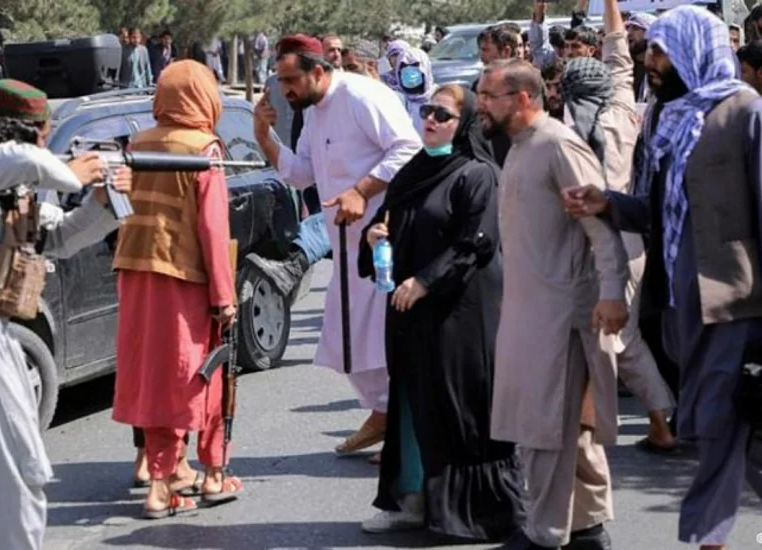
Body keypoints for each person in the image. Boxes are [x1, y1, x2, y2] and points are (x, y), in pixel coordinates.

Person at [562, 7, 762, 549]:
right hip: (678, 301)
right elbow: (662, 210)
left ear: (694, 50)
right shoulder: (671, 117)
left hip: (735, 302)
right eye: (648, 50)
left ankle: (709, 540)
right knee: (715, 422)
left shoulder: (745, 113)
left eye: (659, 50)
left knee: (719, 421)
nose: (649, 61)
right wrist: (607, 204)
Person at [0, 78, 132, 550]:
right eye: (43, 133)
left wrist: (101, 203)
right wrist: (80, 169)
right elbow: (23, 158)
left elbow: (60, 238)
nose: (45, 143)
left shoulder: (13, 184)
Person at [357, 84, 525, 542]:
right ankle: (411, 501)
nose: (429, 120)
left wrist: (426, 281)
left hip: (460, 315)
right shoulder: (413, 170)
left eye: (442, 115)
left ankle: (472, 513)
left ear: (464, 123)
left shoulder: (478, 174)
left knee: (460, 410)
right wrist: (373, 239)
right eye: (426, 111)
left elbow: (475, 244)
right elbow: (388, 221)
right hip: (410, 313)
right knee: (412, 404)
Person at [478, 59, 629, 550]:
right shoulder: (521, 147)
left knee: (545, 430)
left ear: (523, 98)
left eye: (489, 95)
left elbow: (601, 229)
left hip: (560, 315)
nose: (480, 103)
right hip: (529, 313)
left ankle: (545, 536)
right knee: (565, 427)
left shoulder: (558, 144)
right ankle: (587, 527)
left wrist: (611, 293)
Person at [252, 34, 422, 459]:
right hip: (343, 246)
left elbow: (409, 148)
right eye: (281, 80)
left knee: (381, 337)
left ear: (319, 71)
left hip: (382, 239)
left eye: (291, 79)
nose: (285, 89)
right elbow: (303, 173)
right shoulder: (313, 112)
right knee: (345, 339)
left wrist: (362, 191)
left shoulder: (363, 95)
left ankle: (403, 426)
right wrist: (264, 136)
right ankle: (386, 415)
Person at [112, 60, 241, 519]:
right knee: (198, 376)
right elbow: (212, 227)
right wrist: (224, 297)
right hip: (183, 277)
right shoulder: (204, 148)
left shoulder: (137, 142)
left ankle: (163, 478)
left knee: (154, 376)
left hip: (134, 272)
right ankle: (197, 477)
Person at [563, 0, 676, 453]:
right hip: (632, 232)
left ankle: (658, 423)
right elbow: (618, 61)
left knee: (614, 336)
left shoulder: (573, 129)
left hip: (600, 237)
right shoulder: (624, 110)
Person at [393, 48, 436, 135]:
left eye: (414, 65)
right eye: (404, 66)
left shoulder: (439, 98)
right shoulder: (394, 100)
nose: (409, 69)